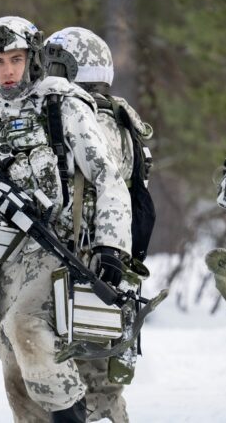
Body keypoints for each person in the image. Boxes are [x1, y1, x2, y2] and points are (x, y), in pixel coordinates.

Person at [0, 16, 132, 423]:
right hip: (3, 261)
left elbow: (107, 177)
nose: (7, 70)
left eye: (16, 59)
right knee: (16, 370)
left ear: (33, 59)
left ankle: (74, 417)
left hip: (59, 250)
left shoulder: (63, 105)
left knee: (26, 327)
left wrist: (112, 247)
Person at [41, 26, 154, 423]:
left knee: (91, 383)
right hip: (95, 260)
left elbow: (105, 187)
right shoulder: (117, 118)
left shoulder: (95, 122)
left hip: (91, 263)